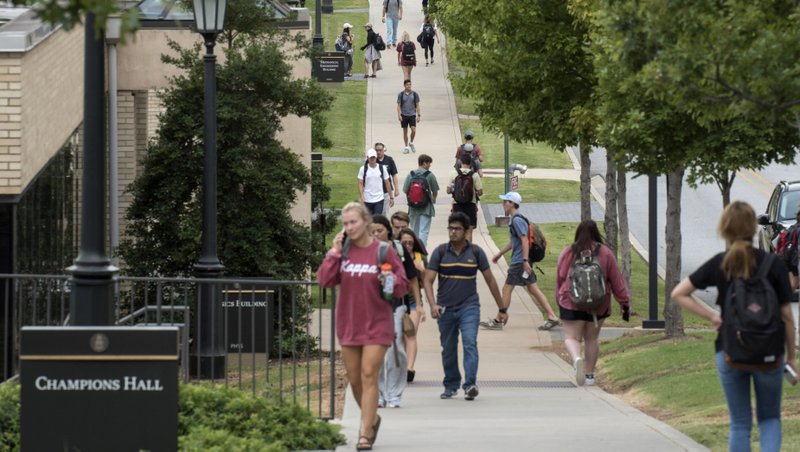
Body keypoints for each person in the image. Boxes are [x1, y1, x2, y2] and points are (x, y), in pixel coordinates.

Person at [672, 201, 797, 451]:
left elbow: (679, 293)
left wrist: (713, 317)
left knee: (740, 423)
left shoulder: (722, 262)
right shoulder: (772, 264)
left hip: (730, 350)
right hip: (770, 352)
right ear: (753, 228)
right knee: (770, 418)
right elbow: (787, 317)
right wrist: (791, 358)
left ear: (725, 228)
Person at [316, 202, 409, 451]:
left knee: (369, 374)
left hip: (378, 323)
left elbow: (402, 286)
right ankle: (373, 419)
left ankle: (365, 432)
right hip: (349, 324)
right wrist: (334, 251)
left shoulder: (383, 251)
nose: (349, 227)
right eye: (345, 224)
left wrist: (389, 280)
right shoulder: (343, 252)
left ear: (366, 222)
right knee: (355, 380)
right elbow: (324, 280)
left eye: (353, 222)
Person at [423, 212, 505, 400]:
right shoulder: (441, 252)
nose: (453, 232)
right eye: (450, 228)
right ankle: (451, 385)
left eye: (457, 229)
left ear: (467, 231)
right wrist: (432, 305)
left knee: (469, 343)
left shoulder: (476, 252)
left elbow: (491, 281)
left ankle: (470, 385)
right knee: (449, 347)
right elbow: (427, 280)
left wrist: (502, 308)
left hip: (469, 307)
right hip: (445, 308)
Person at [556, 220, 630, 386]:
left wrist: (559, 299)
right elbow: (617, 281)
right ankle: (589, 375)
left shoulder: (568, 252)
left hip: (571, 303)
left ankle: (576, 359)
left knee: (571, 337)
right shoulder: (605, 253)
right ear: (596, 233)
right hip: (598, 305)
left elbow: (561, 277)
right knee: (592, 339)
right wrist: (624, 303)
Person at [485, 192, 561, 331]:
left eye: (505, 202)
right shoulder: (516, 219)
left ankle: (499, 319)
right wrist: (500, 254)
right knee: (533, 289)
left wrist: (525, 260)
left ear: (512, 204)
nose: (503, 204)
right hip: (522, 261)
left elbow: (524, 240)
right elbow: (515, 241)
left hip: (519, 262)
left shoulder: (517, 220)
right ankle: (552, 317)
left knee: (506, 289)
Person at [371, 215, 420, 409]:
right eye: (372, 232)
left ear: (388, 231)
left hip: (396, 306)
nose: (375, 235)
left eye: (379, 231)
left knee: (395, 350)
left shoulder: (398, 250)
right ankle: (380, 393)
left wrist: (418, 304)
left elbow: (412, 277)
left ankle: (394, 393)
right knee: (375, 352)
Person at [398, 227, 428, 383]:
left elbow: (427, 282)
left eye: (410, 243)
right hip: (396, 301)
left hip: (412, 301)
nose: (407, 246)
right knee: (400, 336)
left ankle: (409, 368)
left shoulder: (419, 257)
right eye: (404, 243)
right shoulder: (393, 256)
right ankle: (401, 366)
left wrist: (422, 269)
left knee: (410, 332)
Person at [403, 154, 438, 246]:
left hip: (413, 208)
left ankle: (414, 250)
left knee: (414, 231)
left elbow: (405, 190)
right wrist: (433, 199)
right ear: (424, 163)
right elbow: (435, 191)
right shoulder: (430, 175)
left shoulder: (411, 174)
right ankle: (421, 252)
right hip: (426, 208)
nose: (430, 166)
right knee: (424, 231)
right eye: (429, 163)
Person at [446, 153, 483, 243]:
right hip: (470, 205)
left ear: (460, 162)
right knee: (469, 231)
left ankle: (458, 249)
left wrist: (456, 191)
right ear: (470, 163)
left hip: (457, 205)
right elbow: (480, 192)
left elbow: (448, 191)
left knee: (456, 229)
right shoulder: (474, 175)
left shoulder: (454, 173)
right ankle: (468, 251)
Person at [358, 148, 393, 214]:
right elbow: (360, 183)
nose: (372, 159)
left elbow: (387, 183)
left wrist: (391, 197)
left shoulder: (382, 168)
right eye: (371, 157)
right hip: (367, 199)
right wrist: (361, 195)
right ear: (368, 158)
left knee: (377, 219)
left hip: (379, 199)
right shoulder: (363, 169)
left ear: (376, 157)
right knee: (369, 220)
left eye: (373, 157)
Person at [396, 80, 420, 154]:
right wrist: (399, 115)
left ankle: (411, 142)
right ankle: (406, 147)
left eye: (410, 85)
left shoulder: (415, 94)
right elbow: (398, 105)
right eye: (407, 85)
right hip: (404, 115)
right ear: (404, 86)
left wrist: (418, 115)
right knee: (405, 131)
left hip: (412, 114)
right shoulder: (401, 94)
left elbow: (418, 105)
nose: (408, 86)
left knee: (413, 130)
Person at [375, 143, 399, 214]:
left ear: (384, 150)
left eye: (380, 150)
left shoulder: (389, 160)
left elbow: (394, 175)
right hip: (374, 191)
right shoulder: (371, 160)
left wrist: (396, 189)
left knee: (383, 213)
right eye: (377, 150)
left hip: (386, 191)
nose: (378, 152)